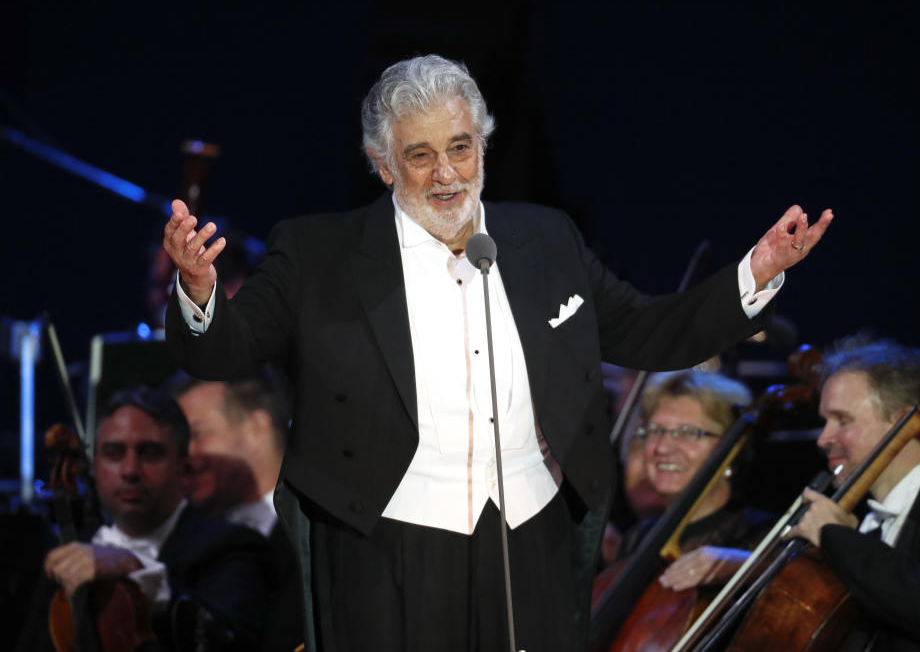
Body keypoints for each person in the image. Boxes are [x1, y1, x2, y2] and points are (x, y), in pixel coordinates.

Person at [161, 54, 832, 651]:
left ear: (482, 144)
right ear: (382, 163)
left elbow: (648, 330)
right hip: (390, 542)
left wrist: (756, 271)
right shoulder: (318, 252)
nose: (447, 174)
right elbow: (227, 349)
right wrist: (198, 289)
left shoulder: (545, 238)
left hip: (529, 537)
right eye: (421, 155)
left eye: (460, 147)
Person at [20, 388, 275, 651]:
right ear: (94, 466)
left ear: (182, 466)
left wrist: (133, 568)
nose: (130, 470)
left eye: (150, 453)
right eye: (114, 453)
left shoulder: (233, 546)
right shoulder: (68, 556)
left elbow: (230, 640)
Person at [794, 337, 920, 651]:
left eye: (842, 420)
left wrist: (839, 537)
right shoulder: (862, 520)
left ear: (902, 422)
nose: (823, 438)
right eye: (824, 421)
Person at [173, 372, 305, 652]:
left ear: (256, 428)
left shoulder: (320, 527)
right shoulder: (181, 543)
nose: (183, 455)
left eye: (196, 435)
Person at [608, 371, 771, 589]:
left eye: (688, 433)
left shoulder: (761, 540)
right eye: (656, 431)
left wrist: (750, 566)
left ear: (732, 451)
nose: (663, 447)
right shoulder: (637, 539)